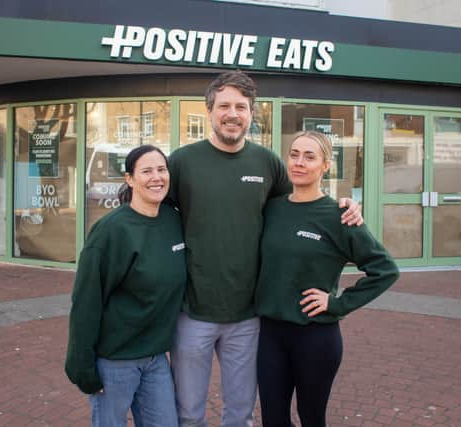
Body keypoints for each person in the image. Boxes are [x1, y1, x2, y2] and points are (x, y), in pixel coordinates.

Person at [167, 71, 363, 427]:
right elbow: (154, 213)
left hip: (248, 317)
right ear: (210, 110)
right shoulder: (182, 162)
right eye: (224, 105)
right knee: (188, 413)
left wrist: (344, 204)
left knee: (240, 414)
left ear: (251, 113)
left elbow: (301, 200)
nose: (232, 113)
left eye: (241, 106)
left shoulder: (267, 163)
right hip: (192, 311)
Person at [255, 131, 399, 427]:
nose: (299, 162)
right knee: (273, 420)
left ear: (325, 166)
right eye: (294, 154)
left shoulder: (339, 215)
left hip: (315, 336)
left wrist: (338, 303)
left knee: (311, 419)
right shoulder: (272, 207)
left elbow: (384, 269)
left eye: (309, 157)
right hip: (270, 335)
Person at [65, 145, 186, 427]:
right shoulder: (111, 231)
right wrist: (81, 365)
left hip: (156, 359)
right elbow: (86, 301)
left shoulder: (174, 221)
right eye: (146, 171)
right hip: (114, 361)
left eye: (161, 169)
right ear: (130, 179)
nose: (156, 177)